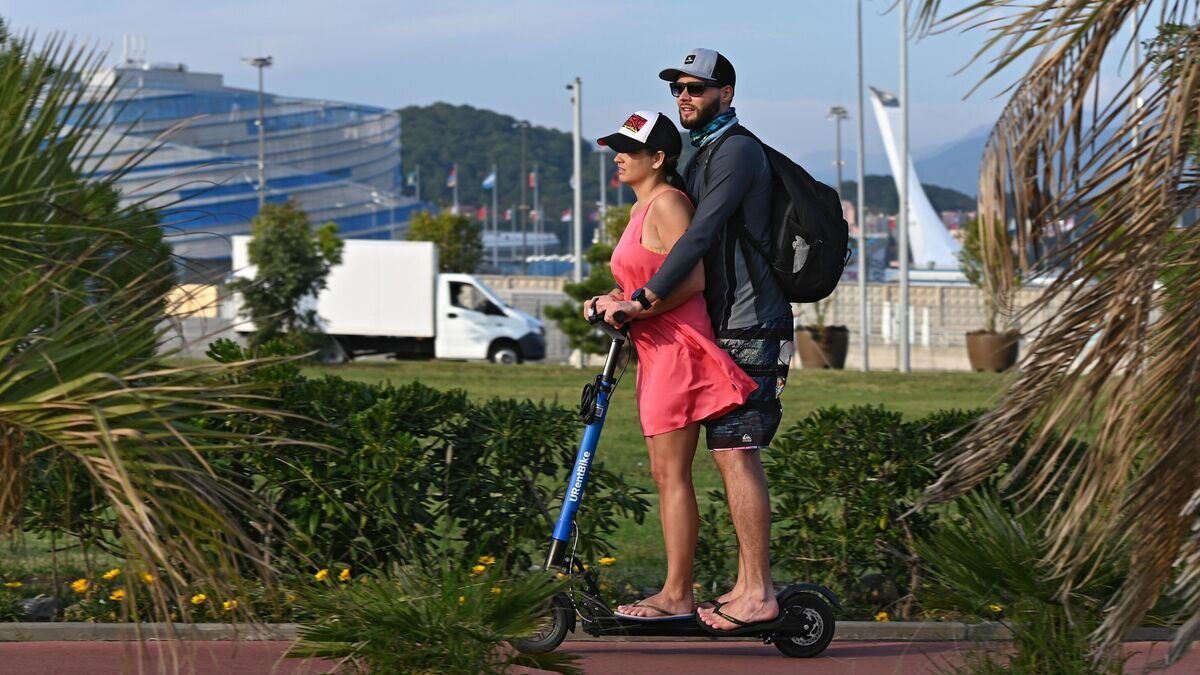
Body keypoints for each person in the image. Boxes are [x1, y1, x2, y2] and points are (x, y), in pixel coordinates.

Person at [599, 49, 793, 633]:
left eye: (697, 88)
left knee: (737, 452)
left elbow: (700, 235)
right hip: (724, 322)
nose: (685, 96)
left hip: (751, 321)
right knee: (725, 455)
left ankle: (758, 593)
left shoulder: (735, 150)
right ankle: (742, 587)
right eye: (678, 88)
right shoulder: (706, 152)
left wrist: (645, 299)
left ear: (726, 94)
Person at [586, 110, 757, 621]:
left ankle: (677, 593)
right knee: (666, 474)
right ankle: (676, 589)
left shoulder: (668, 203)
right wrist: (610, 299)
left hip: (678, 349)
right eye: (617, 149)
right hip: (655, 351)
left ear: (658, 158)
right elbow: (645, 278)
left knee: (671, 475)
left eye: (629, 150)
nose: (618, 158)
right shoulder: (642, 207)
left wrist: (636, 308)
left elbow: (692, 279)